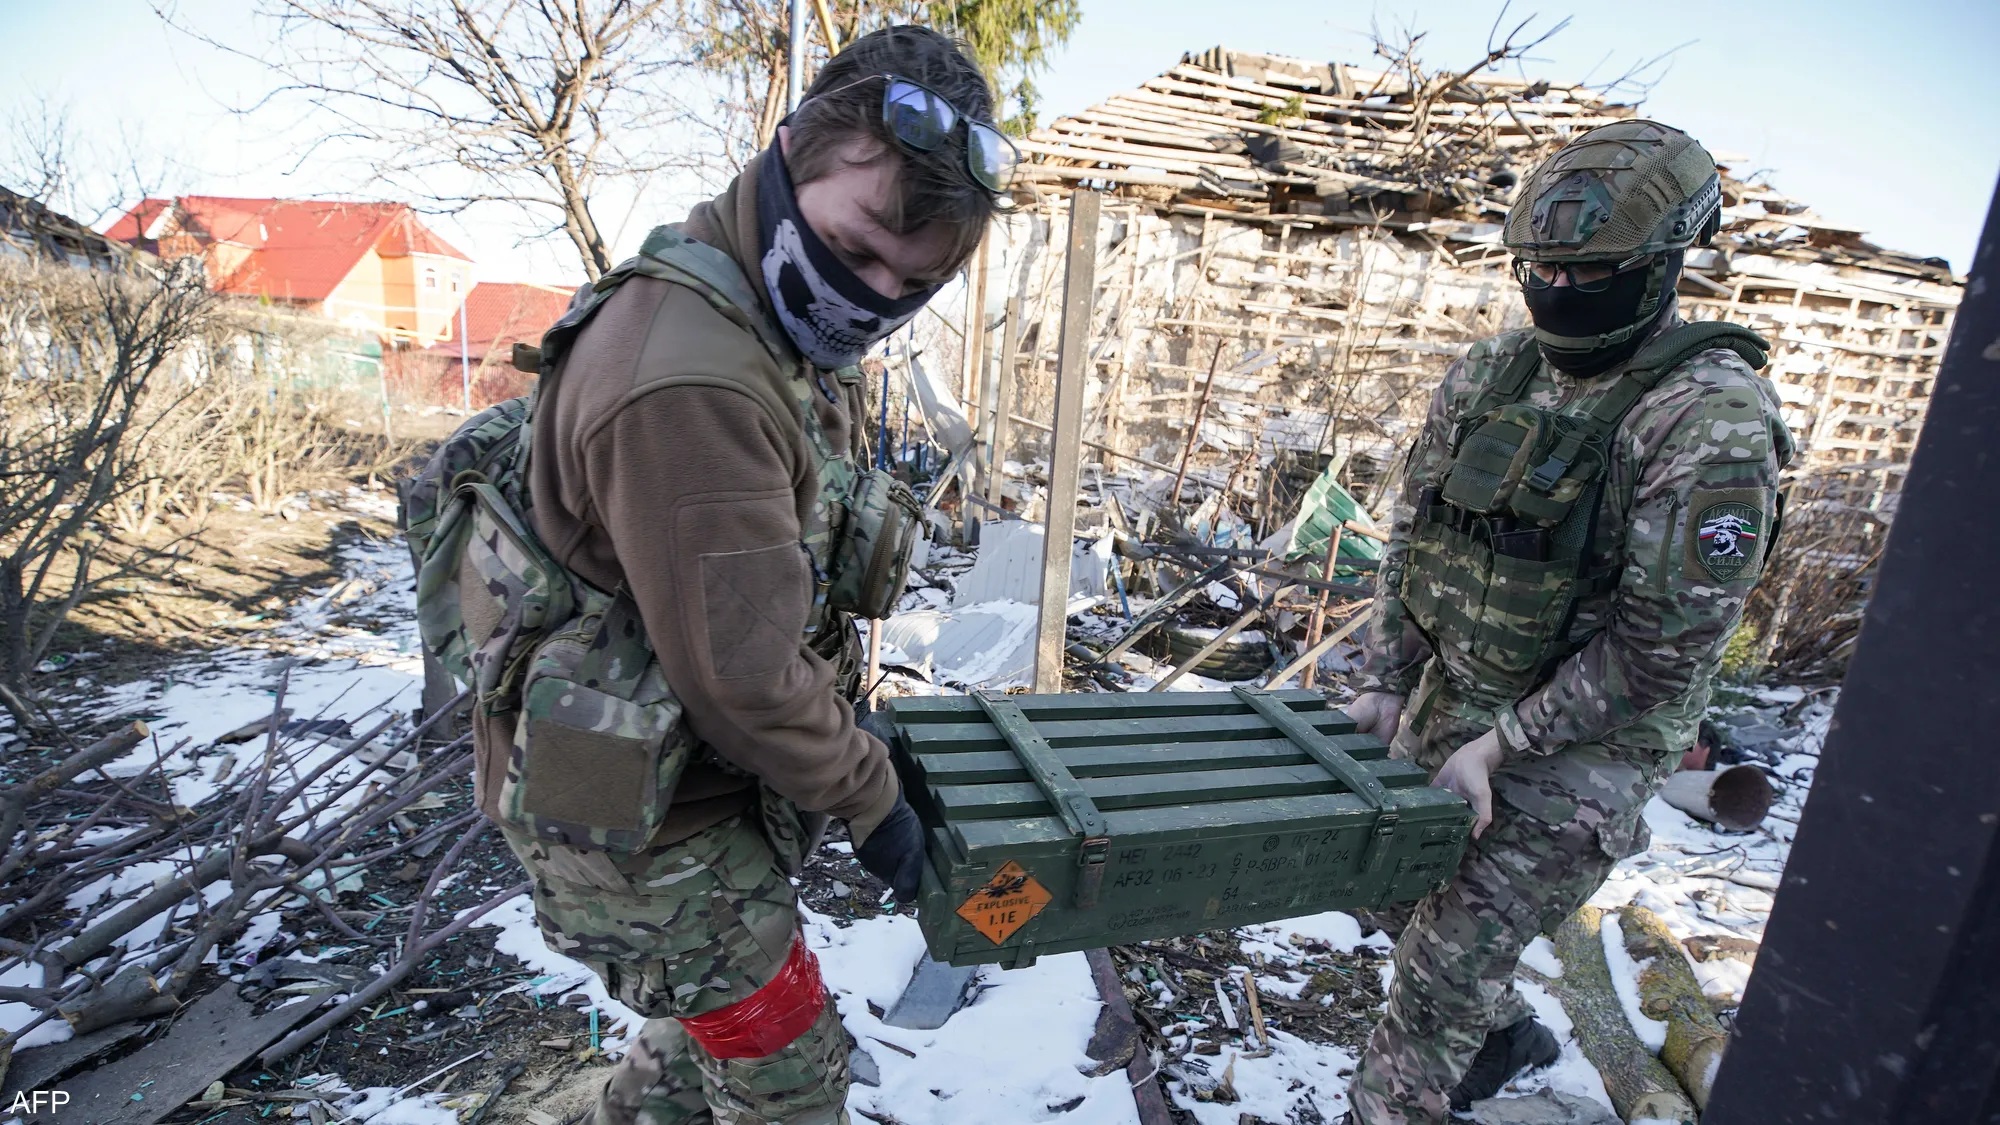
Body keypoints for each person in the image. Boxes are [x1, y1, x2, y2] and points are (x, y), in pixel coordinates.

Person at [404, 26, 1012, 1125]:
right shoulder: (696, 382)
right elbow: (741, 677)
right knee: (786, 1077)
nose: (870, 296)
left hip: (666, 783)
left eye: (912, 282)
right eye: (860, 245)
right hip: (637, 826)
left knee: (691, 1040)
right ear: (791, 153)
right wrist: (875, 804)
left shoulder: (746, 299)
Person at [1338, 121, 1794, 1124]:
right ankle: (1503, 1033)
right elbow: (1415, 531)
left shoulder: (1706, 422)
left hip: (1584, 742)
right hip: (1458, 691)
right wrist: (1381, 674)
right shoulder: (1496, 374)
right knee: (1391, 897)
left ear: (1661, 262)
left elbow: (1658, 653)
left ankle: (1417, 1077)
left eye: (1585, 271)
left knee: (1427, 995)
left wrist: (1504, 745)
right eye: (1536, 266)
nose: (1553, 287)